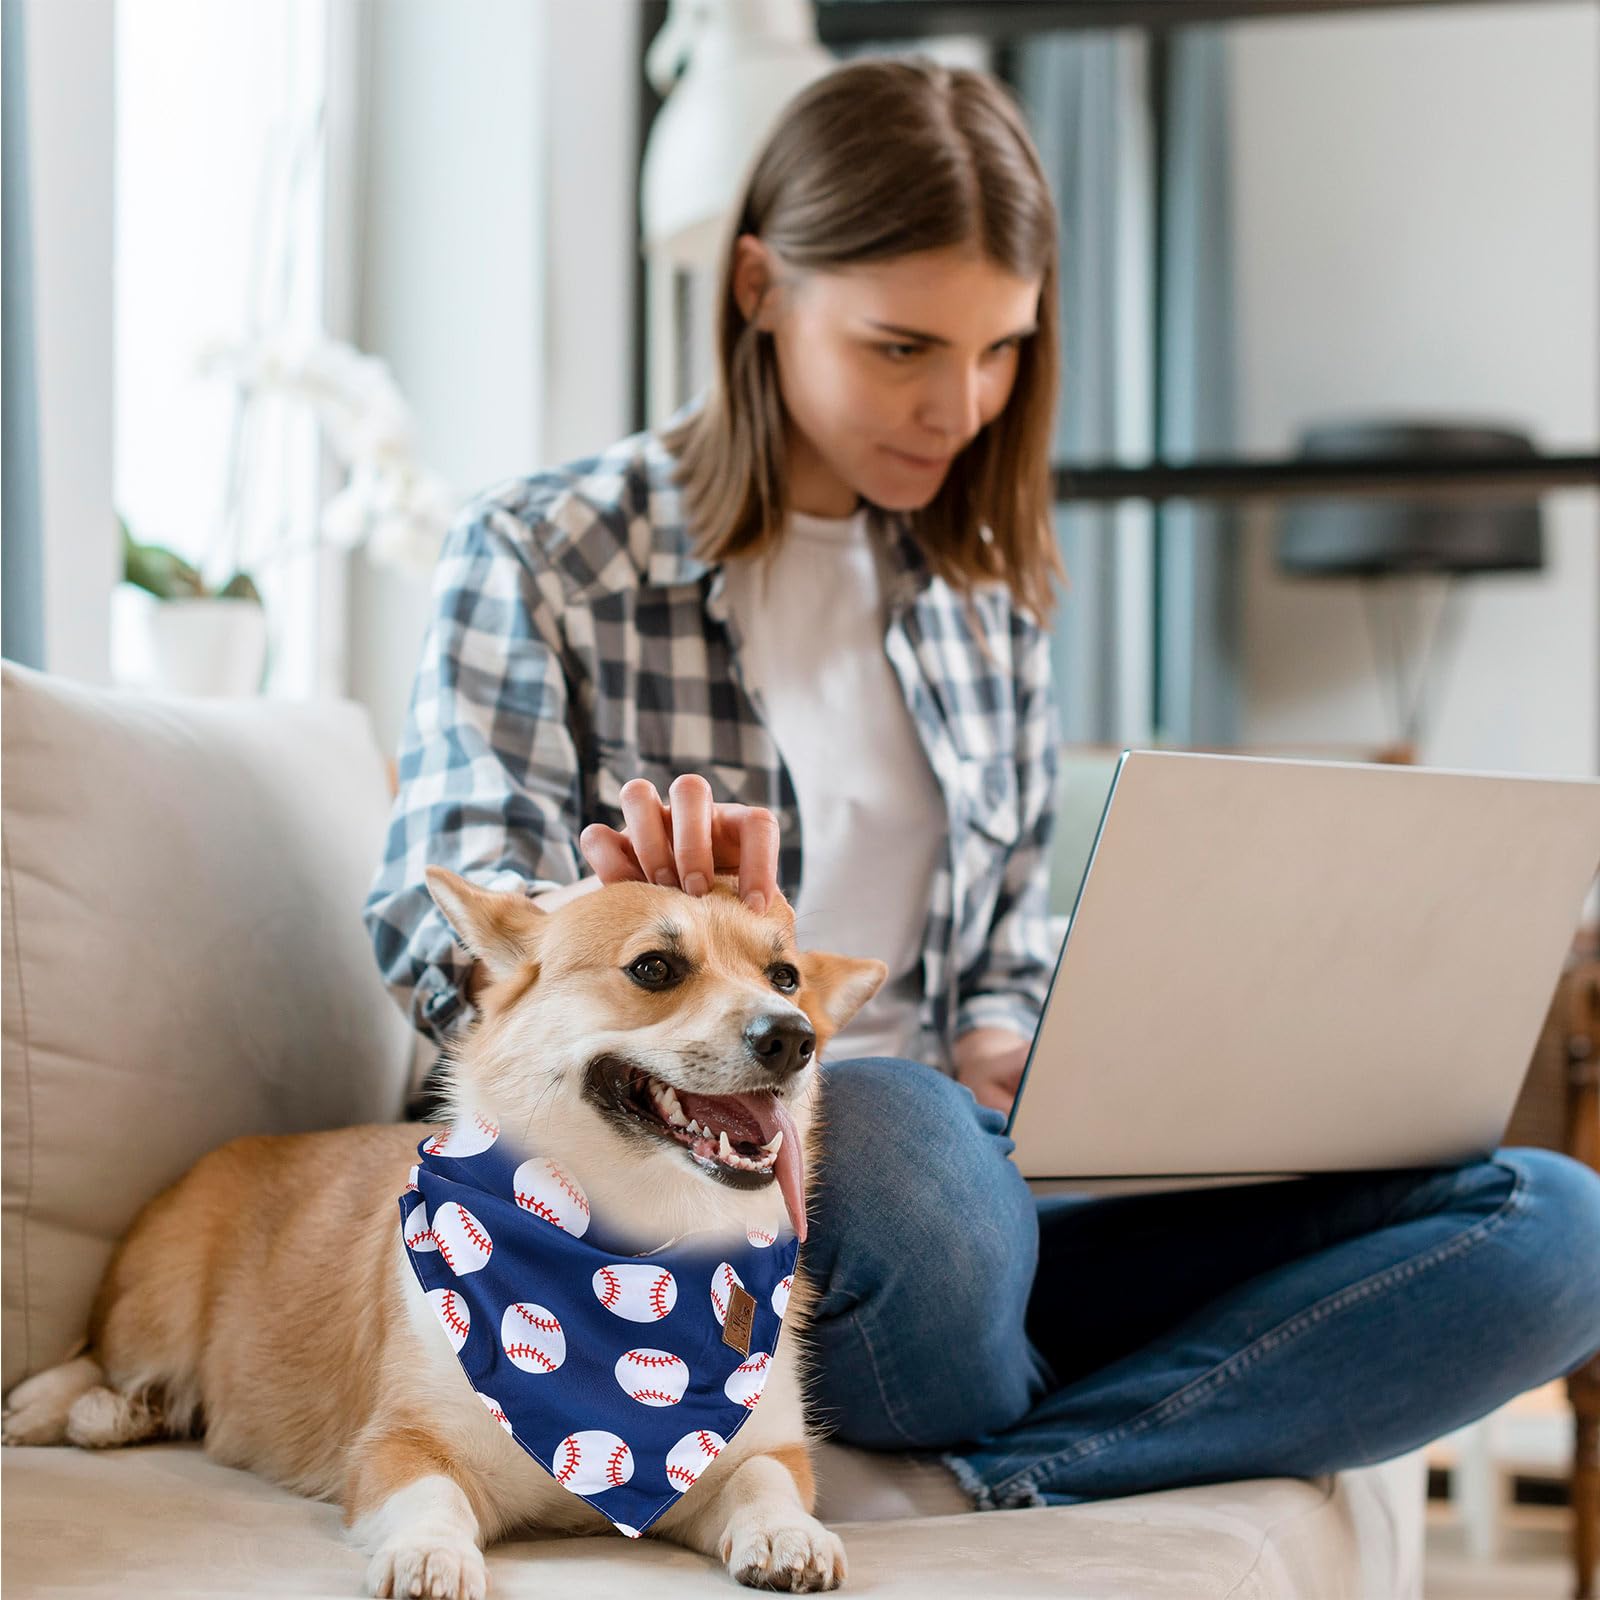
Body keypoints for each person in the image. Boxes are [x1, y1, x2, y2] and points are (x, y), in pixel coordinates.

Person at [365, 56, 1600, 1511]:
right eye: (903, 346)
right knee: (890, 1119)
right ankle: (1082, 1383)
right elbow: (436, 923)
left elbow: (1001, 959)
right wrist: (644, 929)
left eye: (1001, 349)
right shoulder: (545, 556)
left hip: (992, 1211)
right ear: (758, 286)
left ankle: (1010, 1469)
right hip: (772, 1206)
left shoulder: (982, 601)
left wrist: (1039, 1047)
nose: (960, 404)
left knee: (1554, 1223)